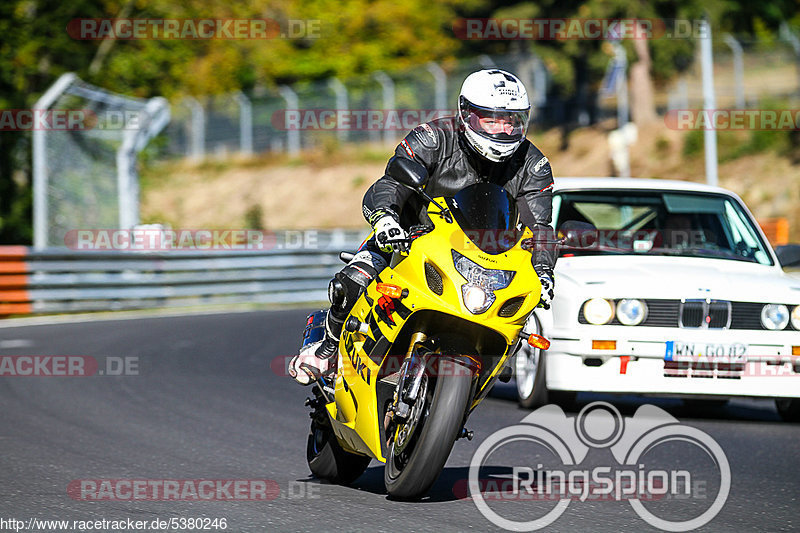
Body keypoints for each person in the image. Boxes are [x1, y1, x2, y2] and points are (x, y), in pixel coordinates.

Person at [288, 69, 556, 385]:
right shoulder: (433, 137)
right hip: (408, 237)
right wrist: (385, 220)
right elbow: (391, 183)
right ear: (467, 114)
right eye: (492, 119)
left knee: (517, 319)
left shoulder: (533, 163)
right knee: (352, 281)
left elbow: (540, 226)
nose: (503, 129)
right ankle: (327, 351)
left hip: (484, 258)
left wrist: (543, 272)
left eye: (512, 121)